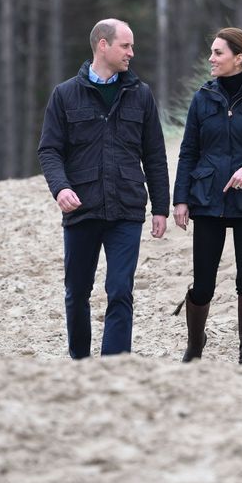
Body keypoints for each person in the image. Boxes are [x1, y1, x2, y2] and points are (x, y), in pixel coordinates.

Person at [38, 18, 170, 359]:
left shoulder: (140, 95)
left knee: (121, 290)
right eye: (125, 46)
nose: (132, 52)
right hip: (81, 208)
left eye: (131, 46)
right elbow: (50, 150)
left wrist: (160, 207)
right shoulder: (65, 94)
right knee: (77, 292)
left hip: (126, 208)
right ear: (103, 45)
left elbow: (154, 154)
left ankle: (114, 366)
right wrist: (60, 188)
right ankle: (80, 363)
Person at [172, 26, 242, 365]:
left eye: (218, 53)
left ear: (239, 58)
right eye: (212, 52)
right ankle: (195, 346)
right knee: (203, 284)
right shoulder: (202, 97)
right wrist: (181, 199)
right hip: (206, 199)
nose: (211, 58)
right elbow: (188, 151)